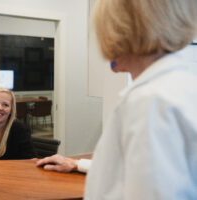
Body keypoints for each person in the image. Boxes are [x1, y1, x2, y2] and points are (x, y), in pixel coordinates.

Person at [37, 0, 197, 199]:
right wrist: (77, 164)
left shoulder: (149, 102)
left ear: (123, 31)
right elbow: (137, 170)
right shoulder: (179, 86)